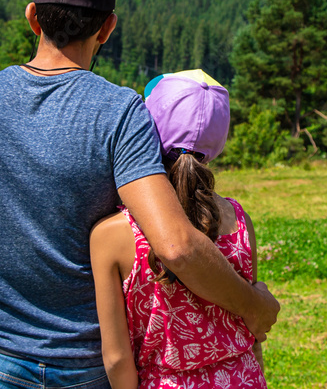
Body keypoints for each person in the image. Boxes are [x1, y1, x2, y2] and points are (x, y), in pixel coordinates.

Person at [0, 0, 279, 389]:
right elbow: (176, 246)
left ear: (33, 18)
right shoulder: (119, 112)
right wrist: (254, 306)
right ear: (107, 28)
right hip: (87, 368)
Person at [90, 70, 266, 389]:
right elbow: (253, 333)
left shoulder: (112, 235)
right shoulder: (239, 220)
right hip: (243, 377)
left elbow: (116, 359)